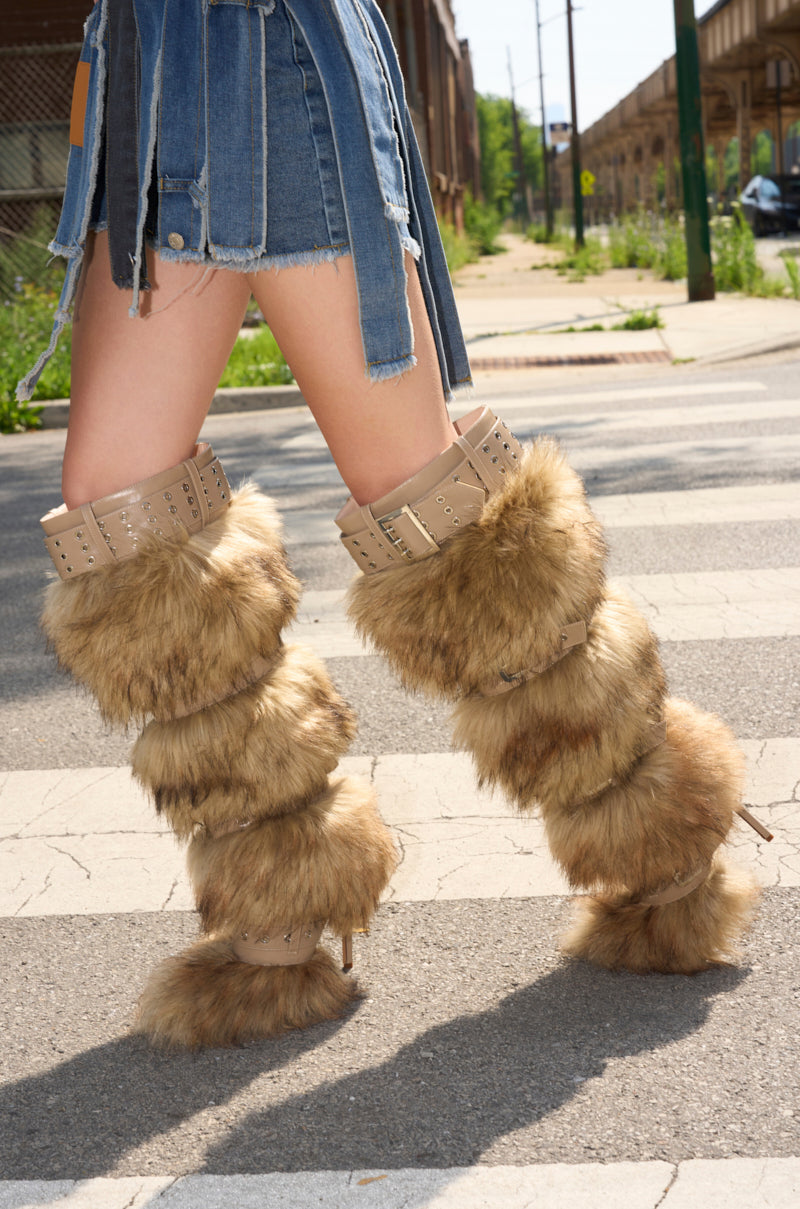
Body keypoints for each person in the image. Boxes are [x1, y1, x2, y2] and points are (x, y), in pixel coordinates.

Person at [21, 0, 765, 1050]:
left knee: (432, 507)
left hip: (267, 57)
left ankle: (662, 848)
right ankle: (278, 910)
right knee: (120, 522)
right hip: (155, 68)